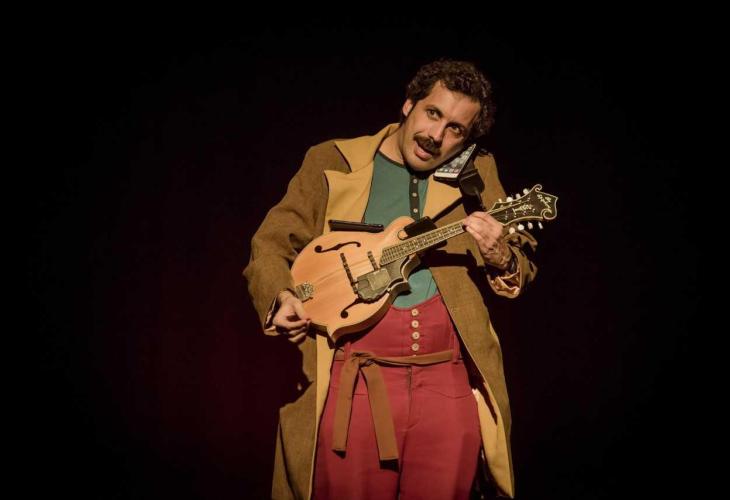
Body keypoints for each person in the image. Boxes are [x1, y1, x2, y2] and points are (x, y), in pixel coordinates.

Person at [243, 59, 538, 500]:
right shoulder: (334, 160)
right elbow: (270, 244)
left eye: (455, 129)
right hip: (355, 380)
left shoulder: (477, 171)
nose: (436, 135)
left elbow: (520, 263)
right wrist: (281, 296)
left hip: (447, 384)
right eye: (432, 113)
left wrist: (499, 254)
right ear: (408, 104)